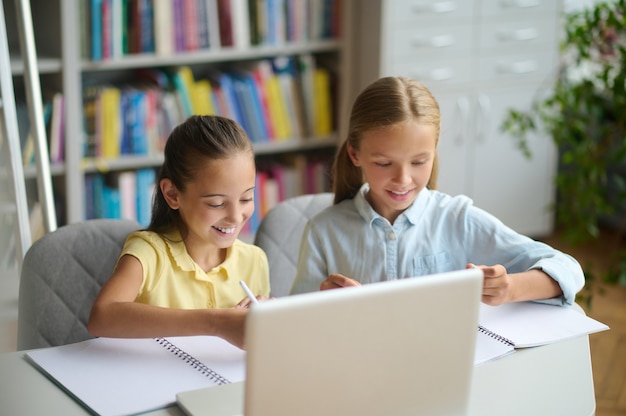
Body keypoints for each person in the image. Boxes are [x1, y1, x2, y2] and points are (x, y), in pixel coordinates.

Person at [290, 76, 584, 306]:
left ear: (434, 151)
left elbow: (568, 270)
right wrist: (324, 304)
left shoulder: (457, 220)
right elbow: (295, 323)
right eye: (384, 163)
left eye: (419, 162)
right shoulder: (323, 231)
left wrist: (509, 288)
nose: (403, 179)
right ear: (355, 155)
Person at [88, 115, 270, 349]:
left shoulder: (254, 261)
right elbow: (101, 317)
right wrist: (216, 322)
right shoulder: (149, 252)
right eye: (216, 203)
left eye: (247, 198)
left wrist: (269, 319)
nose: (236, 216)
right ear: (173, 194)